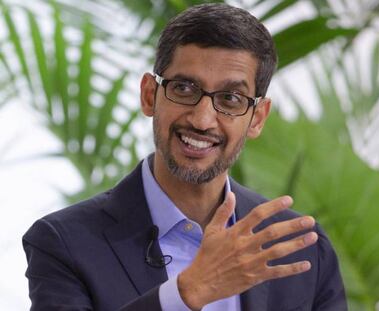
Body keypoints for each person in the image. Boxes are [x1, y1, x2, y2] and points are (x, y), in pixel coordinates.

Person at [23, 3, 347, 311]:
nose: (202, 119)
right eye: (184, 88)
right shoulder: (62, 243)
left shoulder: (303, 248)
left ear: (258, 117)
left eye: (231, 98)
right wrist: (187, 293)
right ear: (150, 95)